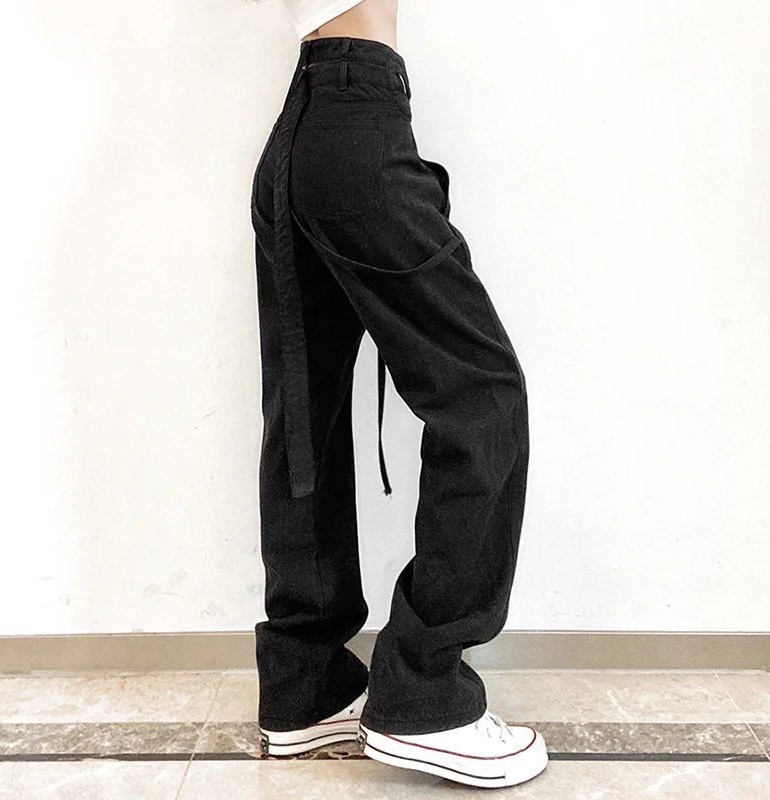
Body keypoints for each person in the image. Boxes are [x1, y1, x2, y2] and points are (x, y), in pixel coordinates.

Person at [249, 0, 548, 788]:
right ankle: (424, 695)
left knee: (304, 417)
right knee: (482, 396)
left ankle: (306, 686)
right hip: (355, 118)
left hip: (307, 130)